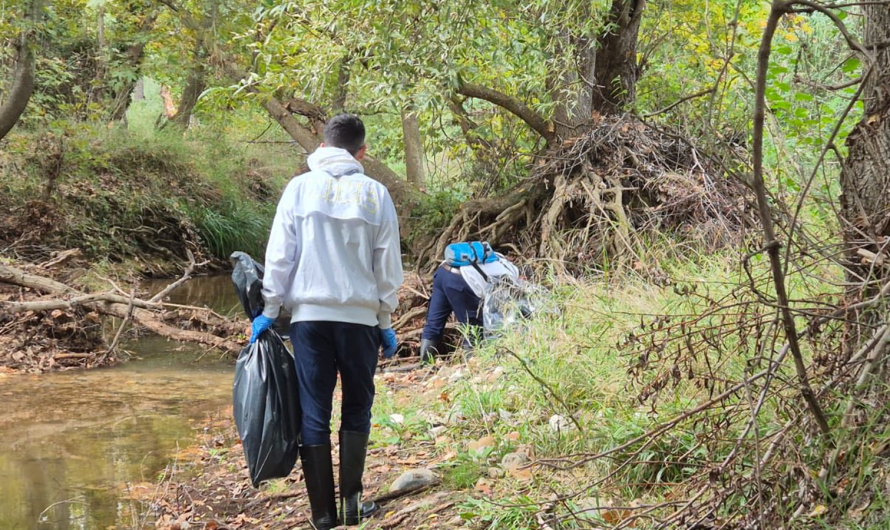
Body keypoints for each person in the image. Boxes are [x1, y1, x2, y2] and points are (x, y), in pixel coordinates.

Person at [249, 114, 403, 529]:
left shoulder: (299, 189)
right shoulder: (375, 194)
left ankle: (322, 517)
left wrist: (269, 310)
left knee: (313, 410)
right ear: (362, 152)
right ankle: (353, 508)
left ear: (322, 146)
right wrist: (385, 318)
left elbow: (280, 255)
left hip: (310, 320)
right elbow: (386, 263)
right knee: (358, 406)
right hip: (359, 322)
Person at [419, 243, 519, 363]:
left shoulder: (499, 262)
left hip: (443, 271)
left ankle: (424, 365)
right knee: (473, 327)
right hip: (460, 279)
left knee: (433, 323)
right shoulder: (511, 276)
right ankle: (471, 369)